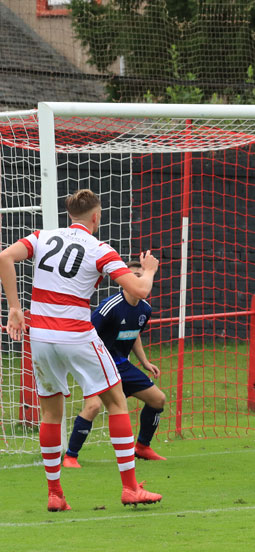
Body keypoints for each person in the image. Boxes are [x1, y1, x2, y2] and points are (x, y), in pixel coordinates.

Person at [0, 189, 162, 511]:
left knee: (50, 413)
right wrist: (150, 269)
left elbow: (4, 256)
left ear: (69, 216)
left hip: (42, 338)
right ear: (96, 217)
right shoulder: (99, 249)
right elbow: (140, 289)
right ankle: (130, 488)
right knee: (116, 402)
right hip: (75, 334)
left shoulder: (42, 236)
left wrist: (15, 308)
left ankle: (55, 494)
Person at [62, 260, 167, 468]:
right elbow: (87, 333)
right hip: (99, 364)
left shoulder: (145, 309)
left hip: (122, 365)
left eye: (141, 275)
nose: (139, 280)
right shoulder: (109, 307)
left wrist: (145, 361)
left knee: (158, 400)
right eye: (134, 276)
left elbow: (134, 335)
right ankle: (70, 456)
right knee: (93, 406)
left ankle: (142, 447)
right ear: (124, 281)